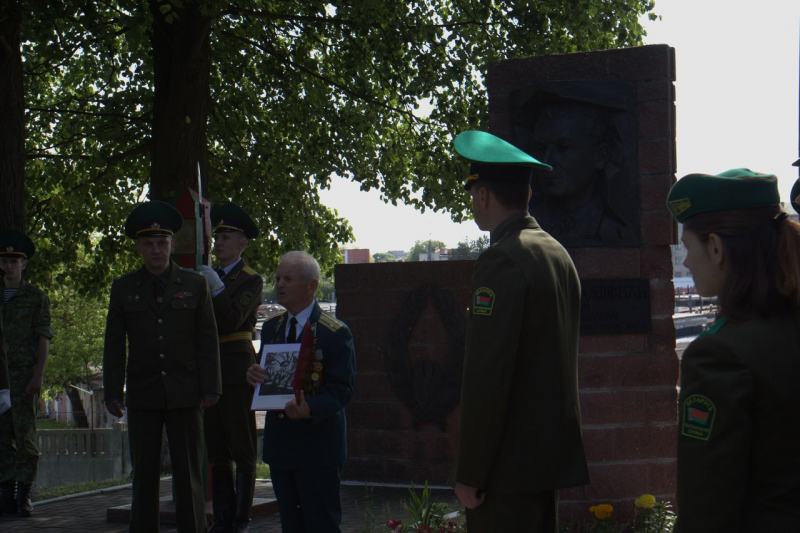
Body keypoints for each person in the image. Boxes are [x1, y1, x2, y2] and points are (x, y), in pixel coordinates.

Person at [450, 131, 590, 532]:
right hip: (543, 463)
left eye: (473, 192)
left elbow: (487, 374)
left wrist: (471, 470)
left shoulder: (502, 260)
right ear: (527, 196)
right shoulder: (555, 253)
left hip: (504, 471)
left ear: (483, 195)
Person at [667, 168, 800, 532]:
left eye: (688, 247)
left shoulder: (720, 356)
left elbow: (706, 508)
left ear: (716, 248)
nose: (689, 262)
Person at [103, 201, 222, 533]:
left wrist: (211, 386)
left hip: (186, 391)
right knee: (144, 476)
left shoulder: (194, 284)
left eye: (162, 242)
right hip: (143, 392)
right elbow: (114, 343)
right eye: (148, 243)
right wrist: (112, 391)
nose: (156, 249)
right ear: (139, 247)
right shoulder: (124, 287)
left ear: (172, 244)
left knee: (189, 475)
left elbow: (207, 339)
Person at [245, 251, 355, 533]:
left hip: (318, 446)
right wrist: (254, 375)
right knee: (290, 525)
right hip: (282, 445)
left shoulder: (335, 332)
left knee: (321, 523)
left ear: (312, 286)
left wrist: (311, 408)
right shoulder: (271, 328)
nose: (280, 284)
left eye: (288, 279)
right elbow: (269, 375)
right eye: (278, 278)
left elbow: (342, 389)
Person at [197, 202, 263, 533]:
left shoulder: (250, 280)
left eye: (226, 237)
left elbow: (230, 320)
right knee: (217, 448)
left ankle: (241, 516)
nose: (218, 243)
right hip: (209, 369)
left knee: (243, 448)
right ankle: (222, 517)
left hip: (237, 369)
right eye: (217, 236)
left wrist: (217, 288)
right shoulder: (202, 278)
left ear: (242, 243)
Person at [516, 101, 631, 245]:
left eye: (563, 148)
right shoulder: (524, 228)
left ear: (600, 157)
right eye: (540, 148)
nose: (547, 161)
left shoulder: (614, 230)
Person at [0, 229, 53, 518]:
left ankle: (24, 493)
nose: (8, 266)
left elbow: (43, 337)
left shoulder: (35, 297)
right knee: (1, 435)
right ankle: (5, 492)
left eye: (14, 261)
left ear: (23, 264)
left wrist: (38, 375)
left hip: (22, 377)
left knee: (25, 436)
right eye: (4, 260)